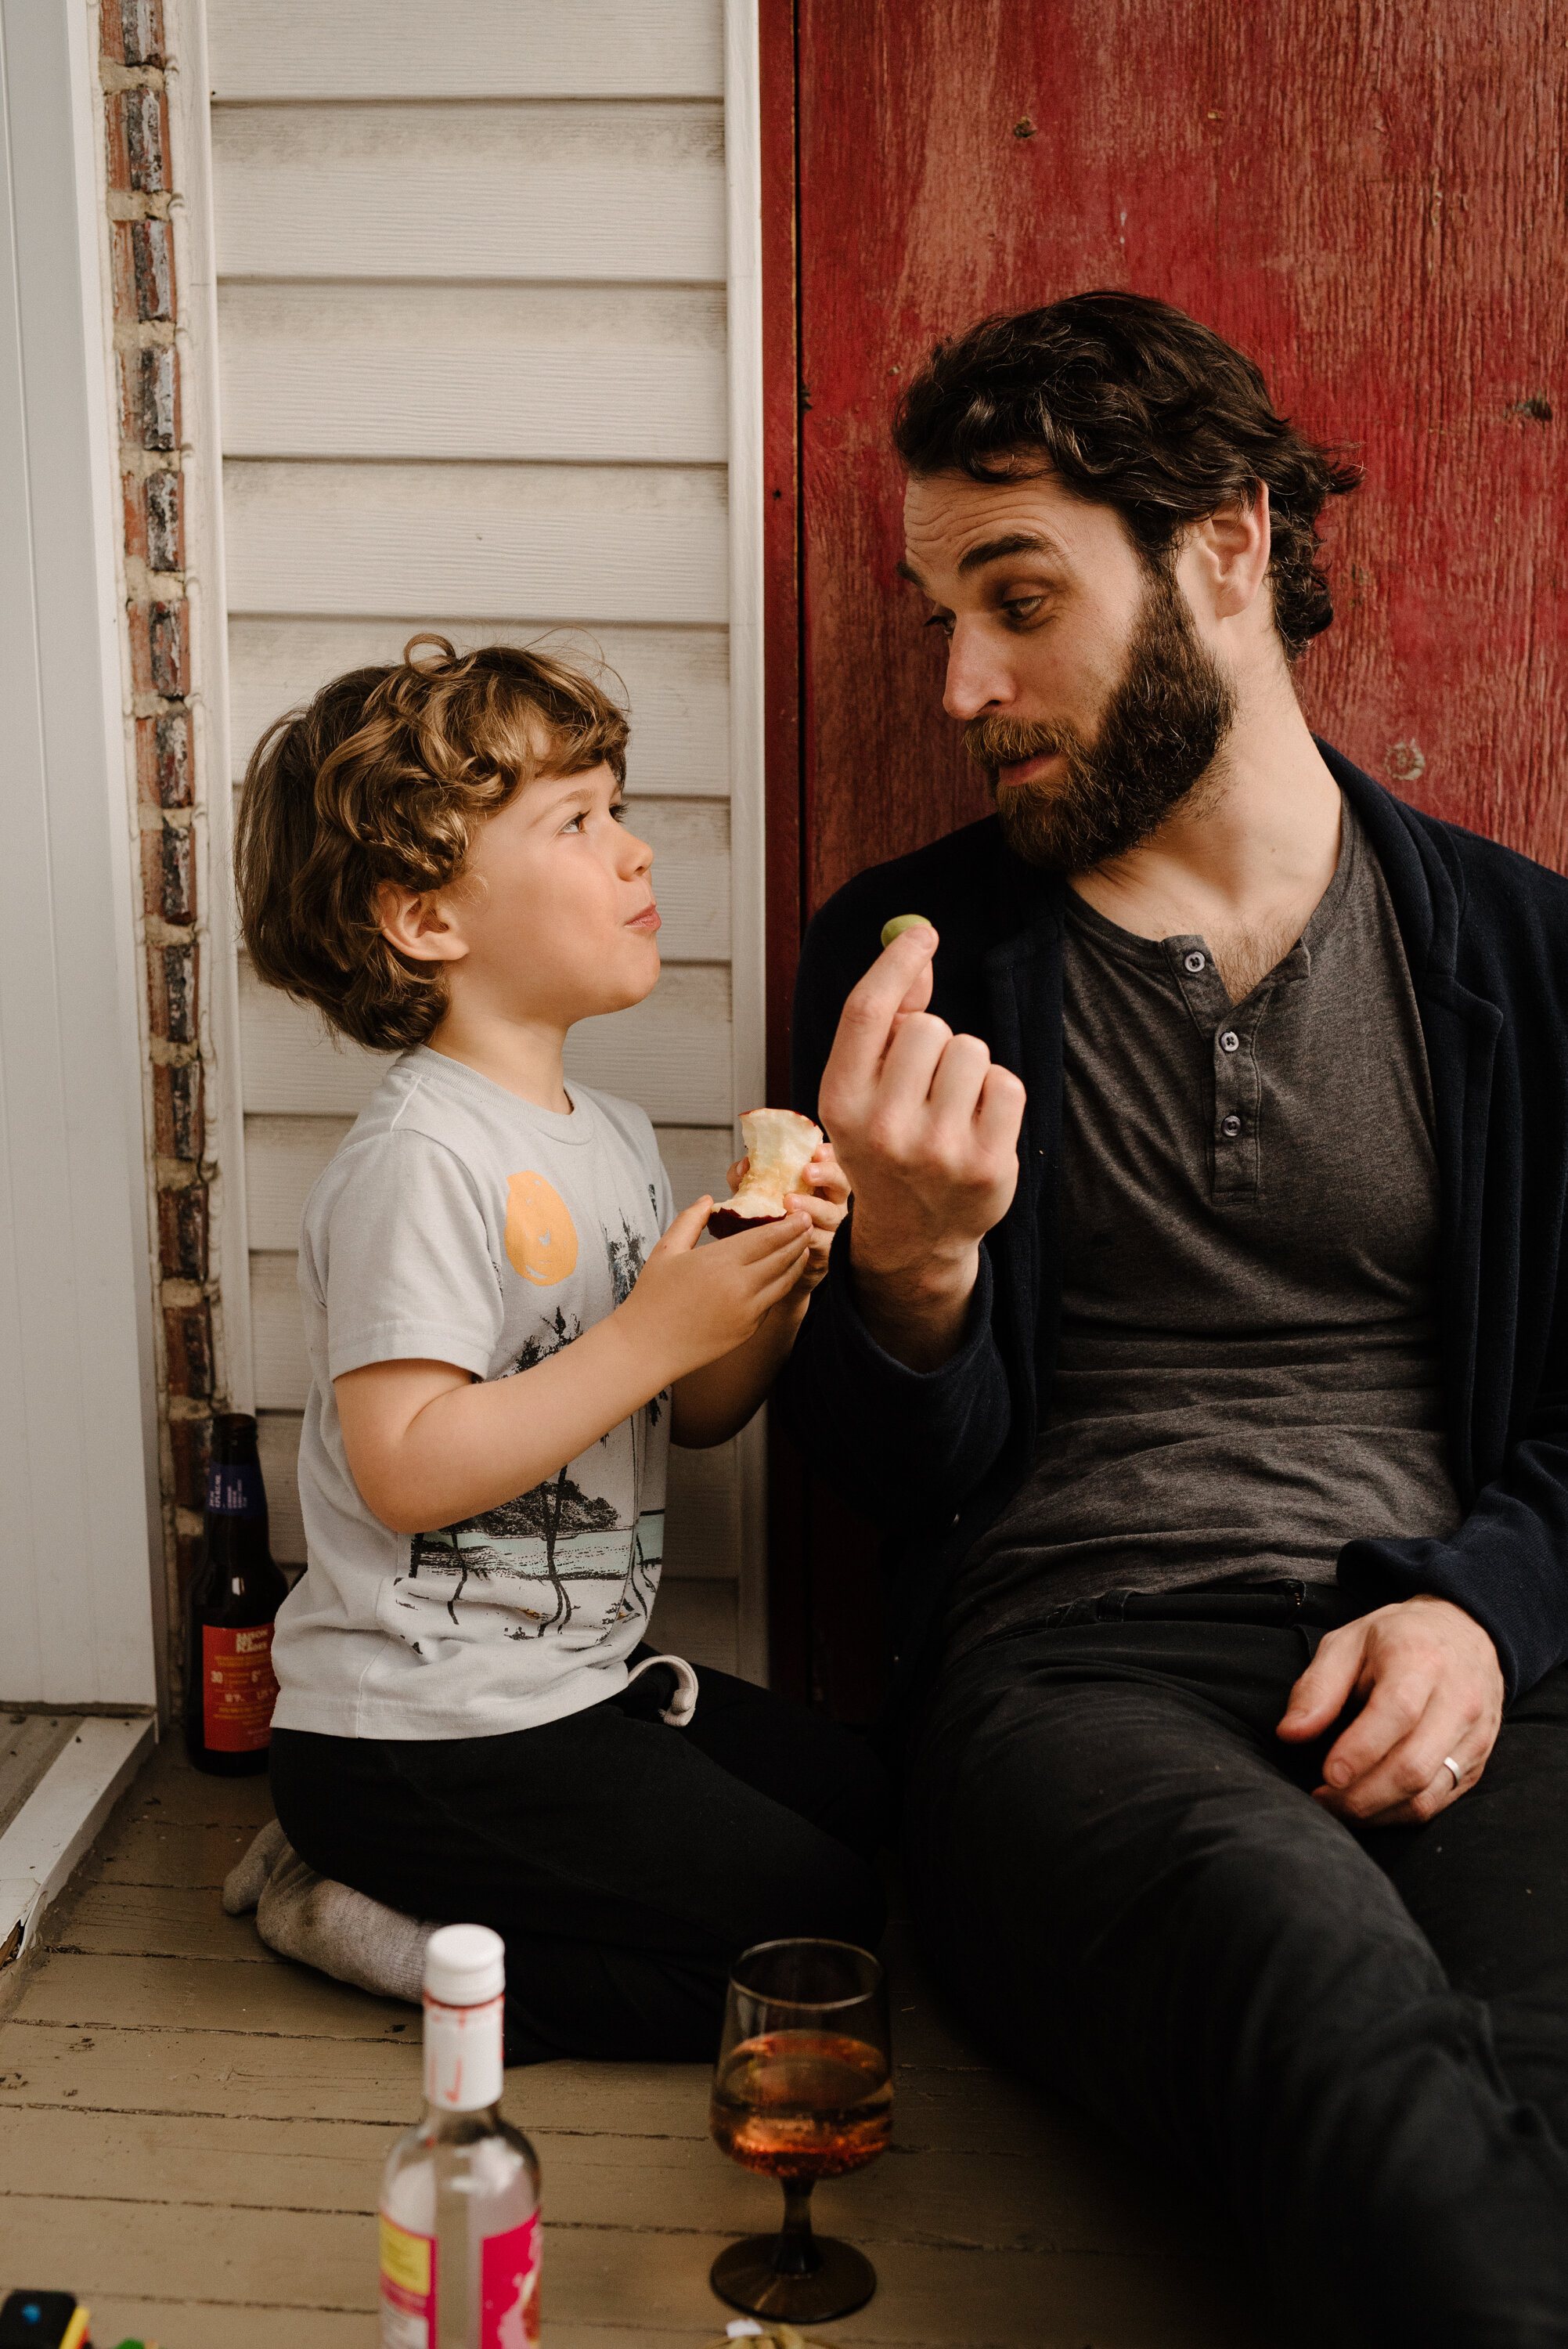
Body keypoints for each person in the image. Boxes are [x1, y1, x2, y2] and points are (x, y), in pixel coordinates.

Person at [782, 294, 1568, 2343]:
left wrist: (1477, 1606)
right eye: (939, 610)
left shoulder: (1517, 955)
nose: (957, 680)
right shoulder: (909, 968)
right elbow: (872, 1488)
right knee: (1312, 1984)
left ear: (1225, 544)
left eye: (1016, 599)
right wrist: (916, 1268)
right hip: (1074, 1679)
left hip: (1442, 1644)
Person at [229, 635, 885, 2062]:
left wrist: (769, 1289)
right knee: (805, 1947)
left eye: (617, 805)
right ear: (425, 919)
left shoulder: (623, 1143)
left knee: (885, 1821)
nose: (634, 851)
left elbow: (696, 1412)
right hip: (413, 1740)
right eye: (576, 822)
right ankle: (347, 1915)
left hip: (574, 1692)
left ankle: (435, 1915)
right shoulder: (421, 1156)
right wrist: (655, 1326)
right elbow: (405, 1470)